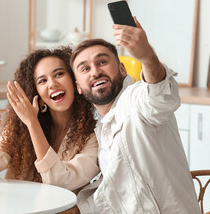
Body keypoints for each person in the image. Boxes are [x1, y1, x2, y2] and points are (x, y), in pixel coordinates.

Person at [71, 17, 201, 213]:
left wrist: (147, 56)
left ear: (122, 69)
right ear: (78, 87)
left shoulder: (135, 101)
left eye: (103, 62)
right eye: (85, 69)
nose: (95, 71)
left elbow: (159, 94)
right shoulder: (100, 128)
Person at [0, 47, 100, 193]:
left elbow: (60, 181)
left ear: (75, 80)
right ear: (36, 92)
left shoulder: (94, 135)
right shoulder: (20, 126)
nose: (52, 84)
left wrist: (32, 123)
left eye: (59, 74)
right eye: (42, 80)